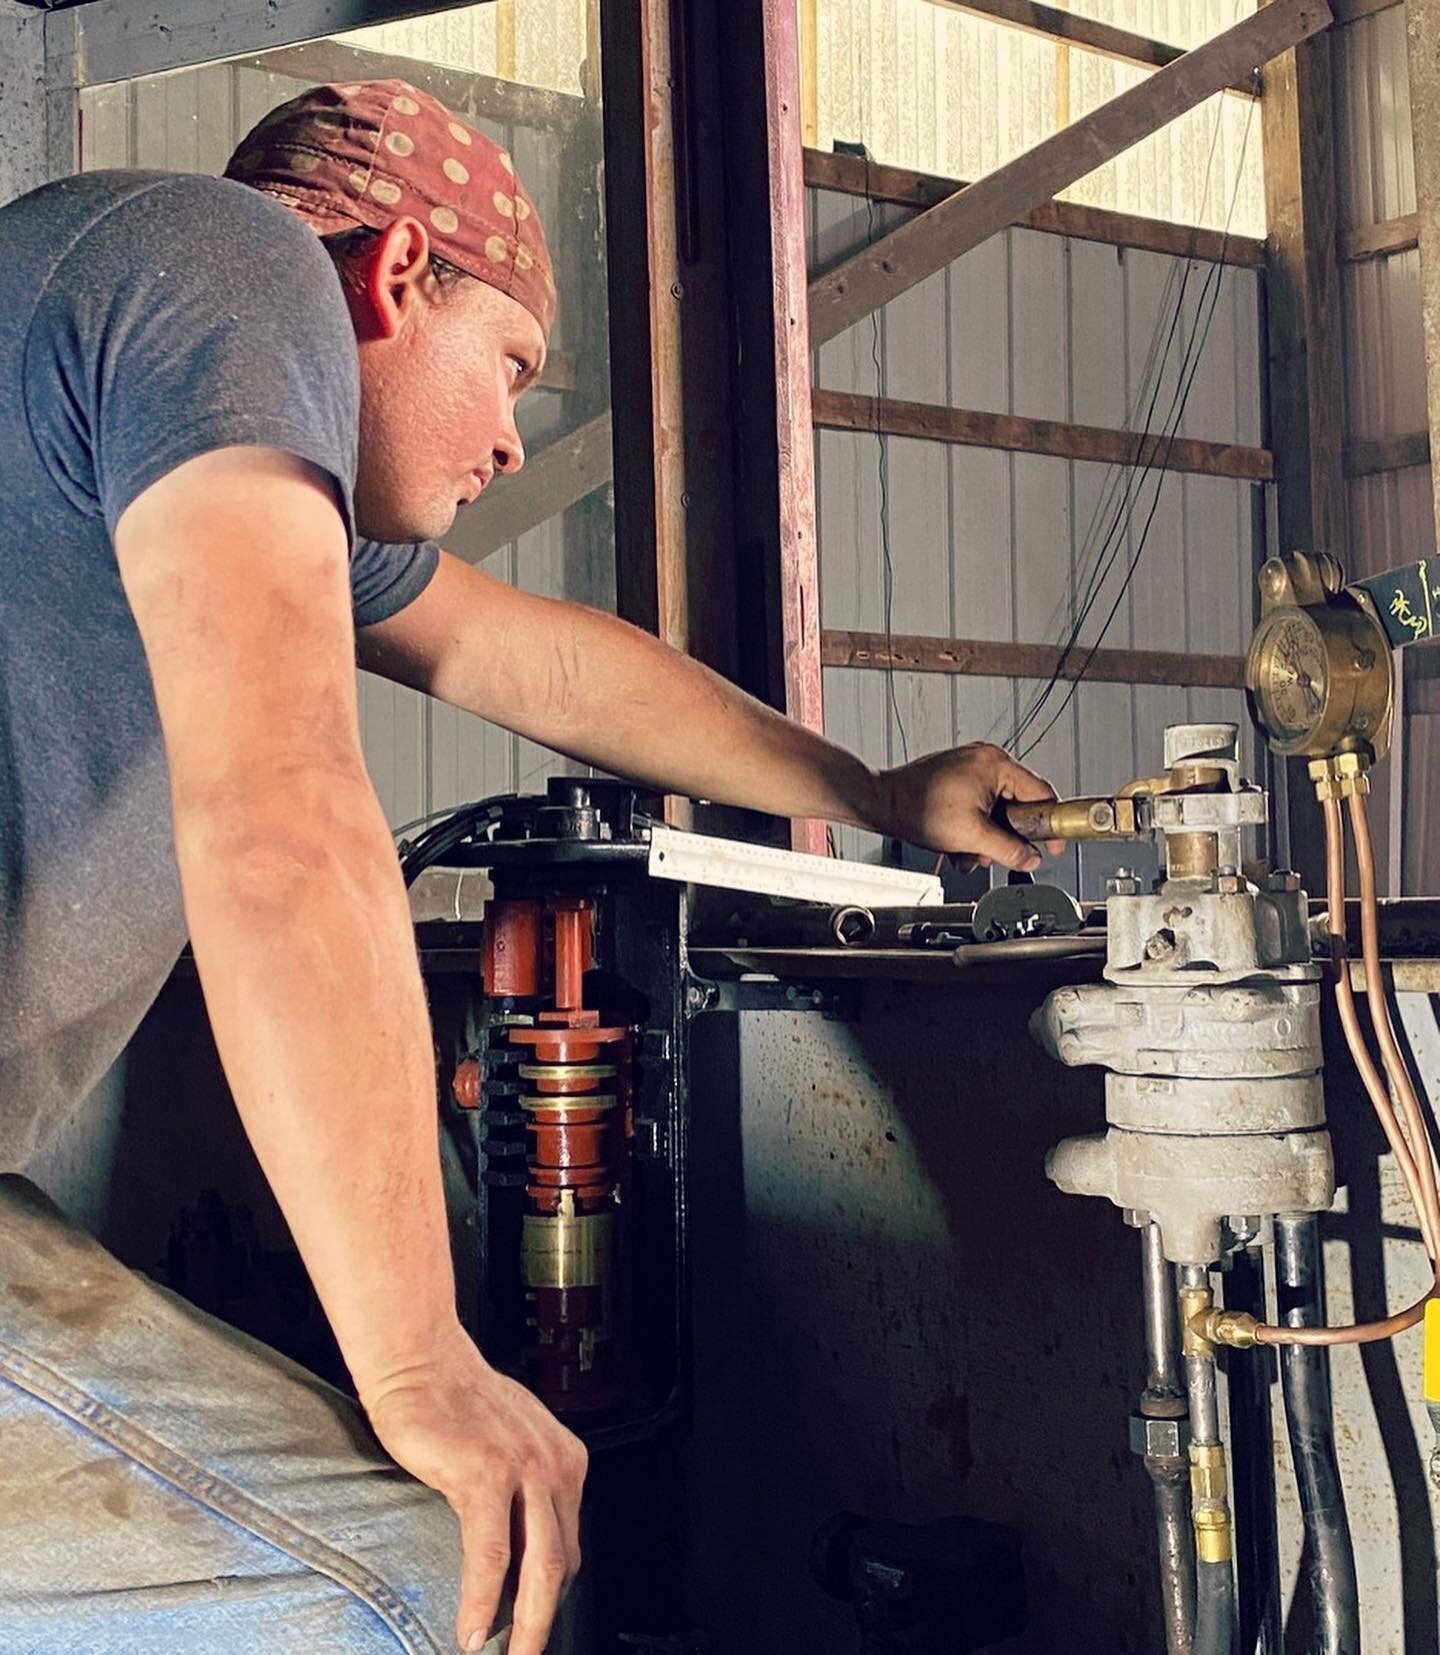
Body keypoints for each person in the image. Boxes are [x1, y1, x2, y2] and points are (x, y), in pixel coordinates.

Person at [0, 77, 1056, 1654]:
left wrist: (870, 789)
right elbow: (284, 816)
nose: (508, 437)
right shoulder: (230, 268)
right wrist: (422, 1367)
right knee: (441, 1581)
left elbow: (545, 665)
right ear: (399, 270)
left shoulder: (136, 366)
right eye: (505, 368)